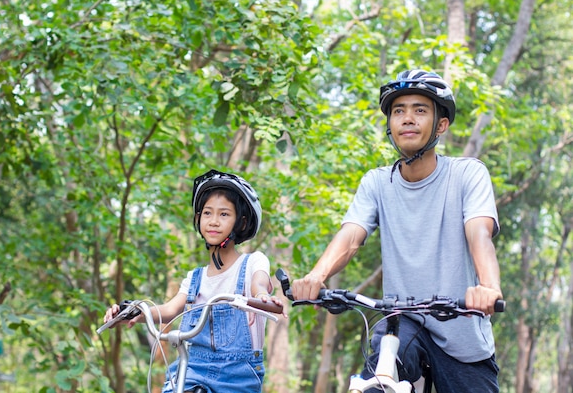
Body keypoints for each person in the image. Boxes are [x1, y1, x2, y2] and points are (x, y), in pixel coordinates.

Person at [291, 69, 503, 392]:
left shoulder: (467, 175)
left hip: (464, 336)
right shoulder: (377, 182)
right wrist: (316, 277)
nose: (407, 118)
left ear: (441, 125)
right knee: (382, 365)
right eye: (398, 111)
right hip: (404, 324)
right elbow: (350, 237)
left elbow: (479, 234)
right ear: (389, 124)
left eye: (420, 110)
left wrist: (488, 287)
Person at [104, 169, 282, 393]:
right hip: (191, 368)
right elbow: (169, 309)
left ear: (241, 222)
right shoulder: (194, 278)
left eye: (224, 214)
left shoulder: (253, 262)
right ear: (198, 219)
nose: (214, 221)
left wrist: (260, 297)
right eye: (207, 213)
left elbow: (260, 282)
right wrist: (136, 311)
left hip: (236, 374)